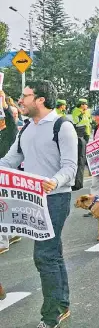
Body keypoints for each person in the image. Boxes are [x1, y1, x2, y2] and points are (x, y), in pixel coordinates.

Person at [0, 79, 78, 328]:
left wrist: (54, 181)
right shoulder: (26, 129)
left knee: (44, 255)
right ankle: (62, 304)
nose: (20, 100)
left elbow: (70, 167)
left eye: (25, 95)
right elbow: (10, 160)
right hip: (31, 199)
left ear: (40, 100)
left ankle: (50, 315)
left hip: (56, 198)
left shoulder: (62, 126)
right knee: (52, 253)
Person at [0, 91, 22, 254]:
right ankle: (13, 234)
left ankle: (2, 242)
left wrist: (5, 106)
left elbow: (11, 122)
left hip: (6, 174)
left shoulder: (10, 132)